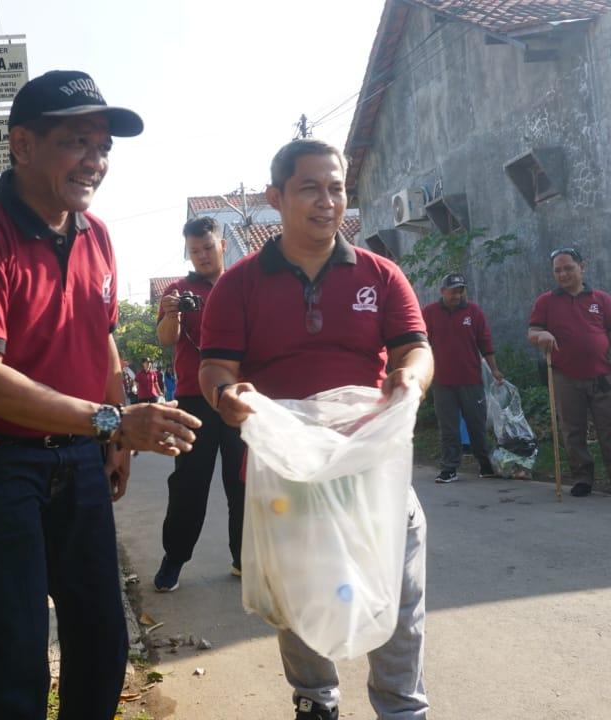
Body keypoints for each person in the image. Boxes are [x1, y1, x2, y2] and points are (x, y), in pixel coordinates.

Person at [0, 70, 202, 720]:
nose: (95, 163)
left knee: (104, 639)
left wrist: (115, 443)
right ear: (23, 144)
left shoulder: (96, 234)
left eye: (103, 147)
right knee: (17, 650)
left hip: (75, 462)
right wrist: (112, 420)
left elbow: (99, 339)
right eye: (78, 142)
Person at [199, 139, 433, 720]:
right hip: (288, 471)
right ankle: (315, 702)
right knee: (300, 597)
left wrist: (409, 381)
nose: (327, 202)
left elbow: (415, 349)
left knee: (397, 593)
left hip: (369, 464)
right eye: (310, 188)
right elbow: (216, 366)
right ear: (276, 197)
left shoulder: (381, 275)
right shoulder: (239, 284)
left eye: (336, 188)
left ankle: (403, 708)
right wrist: (227, 396)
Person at [153, 216, 246, 591]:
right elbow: (165, 339)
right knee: (189, 484)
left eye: (208, 248)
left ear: (222, 245)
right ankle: (174, 559)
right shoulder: (177, 289)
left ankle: (244, 558)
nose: (202, 256)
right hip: (194, 399)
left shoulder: (243, 283)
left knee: (242, 483)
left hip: (240, 396)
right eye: (195, 251)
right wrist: (173, 312)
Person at [528, 248, 611, 498]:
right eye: (558, 270)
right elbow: (532, 333)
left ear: (582, 267)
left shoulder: (601, 299)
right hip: (565, 375)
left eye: (568, 268)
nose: (563, 274)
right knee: (572, 429)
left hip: (602, 374)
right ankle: (583, 478)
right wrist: (543, 334)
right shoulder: (546, 301)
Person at [421, 273, 503, 483]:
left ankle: (485, 464)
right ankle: (449, 468)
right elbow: (420, 342)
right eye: (453, 291)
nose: (457, 295)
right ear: (443, 291)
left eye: (460, 291)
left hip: (470, 379)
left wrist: (494, 370)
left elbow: (485, 342)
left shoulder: (473, 312)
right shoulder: (430, 313)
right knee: (448, 426)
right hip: (442, 381)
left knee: (476, 424)